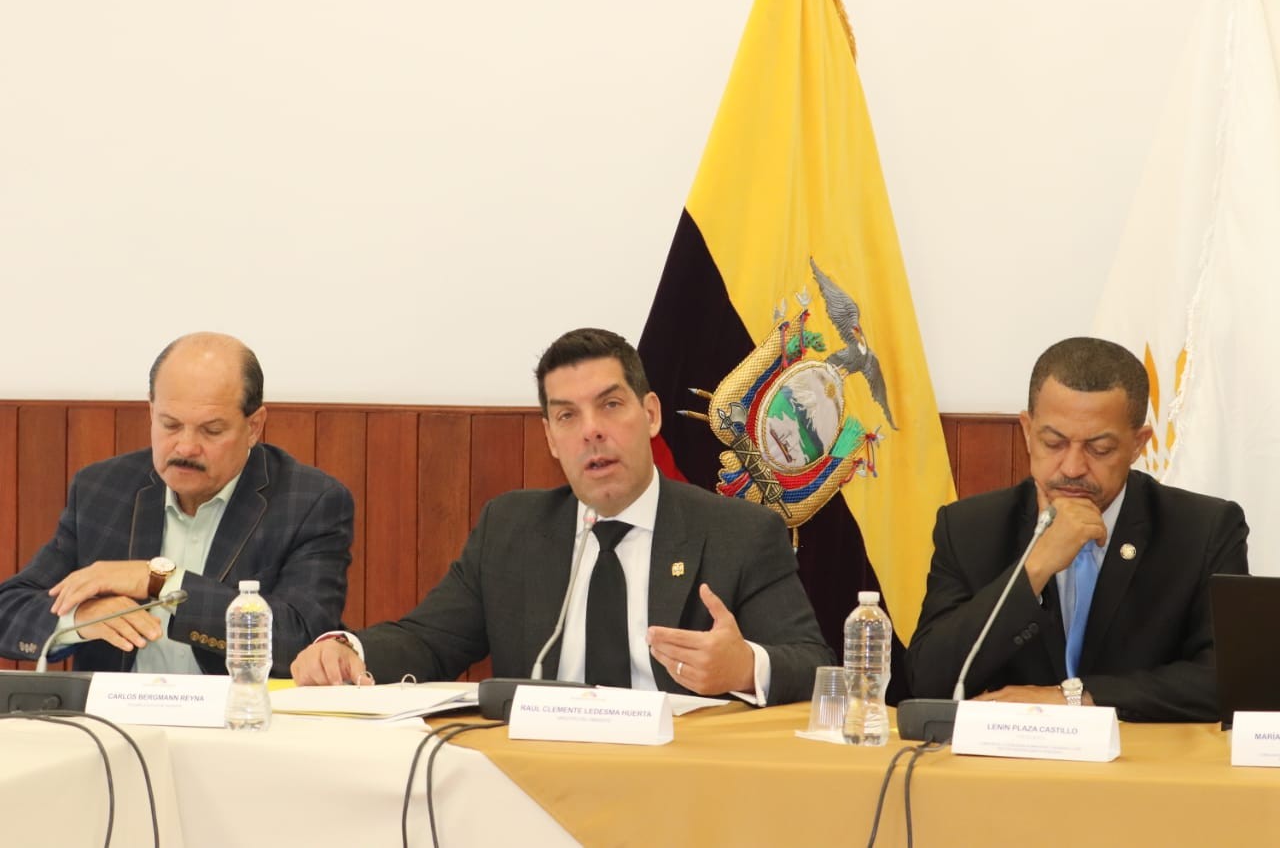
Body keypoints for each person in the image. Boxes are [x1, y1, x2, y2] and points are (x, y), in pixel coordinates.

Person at [292, 327, 832, 704]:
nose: (591, 430)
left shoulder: (737, 532)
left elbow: (813, 664)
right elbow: (429, 640)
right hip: (537, 777)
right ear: (551, 438)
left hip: (679, 781)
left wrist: (745, 667)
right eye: (568, 416)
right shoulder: (512, 528)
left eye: (610, 405)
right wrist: (348, 649)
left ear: (650, 415)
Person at [905, 337, 1248, 722]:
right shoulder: (970, 528)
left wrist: (1078, 697)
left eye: (1099, 449)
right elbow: (926, 680)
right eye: (1053, 443)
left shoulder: (1203, 530)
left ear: (1138, 444)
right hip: (1006, 757)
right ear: (1027, 431)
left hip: (1141, 757)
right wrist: (1034, 568)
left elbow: (1228, 680)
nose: (1071, 468)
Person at [0, 332, 355, 675]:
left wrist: (160, 581)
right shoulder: (102, 490)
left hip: (239, 711)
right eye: (170, 425)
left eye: (211, 430)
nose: (185, 447)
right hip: (115, 713)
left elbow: (303, 639)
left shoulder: (308, 502)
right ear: (151, 411)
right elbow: (10, 609)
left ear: (254, 426)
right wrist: (79, 617)